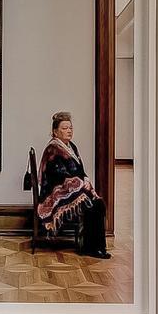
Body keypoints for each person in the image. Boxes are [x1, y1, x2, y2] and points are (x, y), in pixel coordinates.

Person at [35, 110, 110, 259]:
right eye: (64, 128)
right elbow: (60, 176)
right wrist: (81, 185)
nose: (69, 131)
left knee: (98, 203)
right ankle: (92, 248)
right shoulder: (53, 149)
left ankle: (94, 246)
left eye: (70, 127)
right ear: (55, 132)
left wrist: (85, 181)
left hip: (72, 189)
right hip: (56, 193)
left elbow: (79, 170)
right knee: (93, 205)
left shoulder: (71, 147)